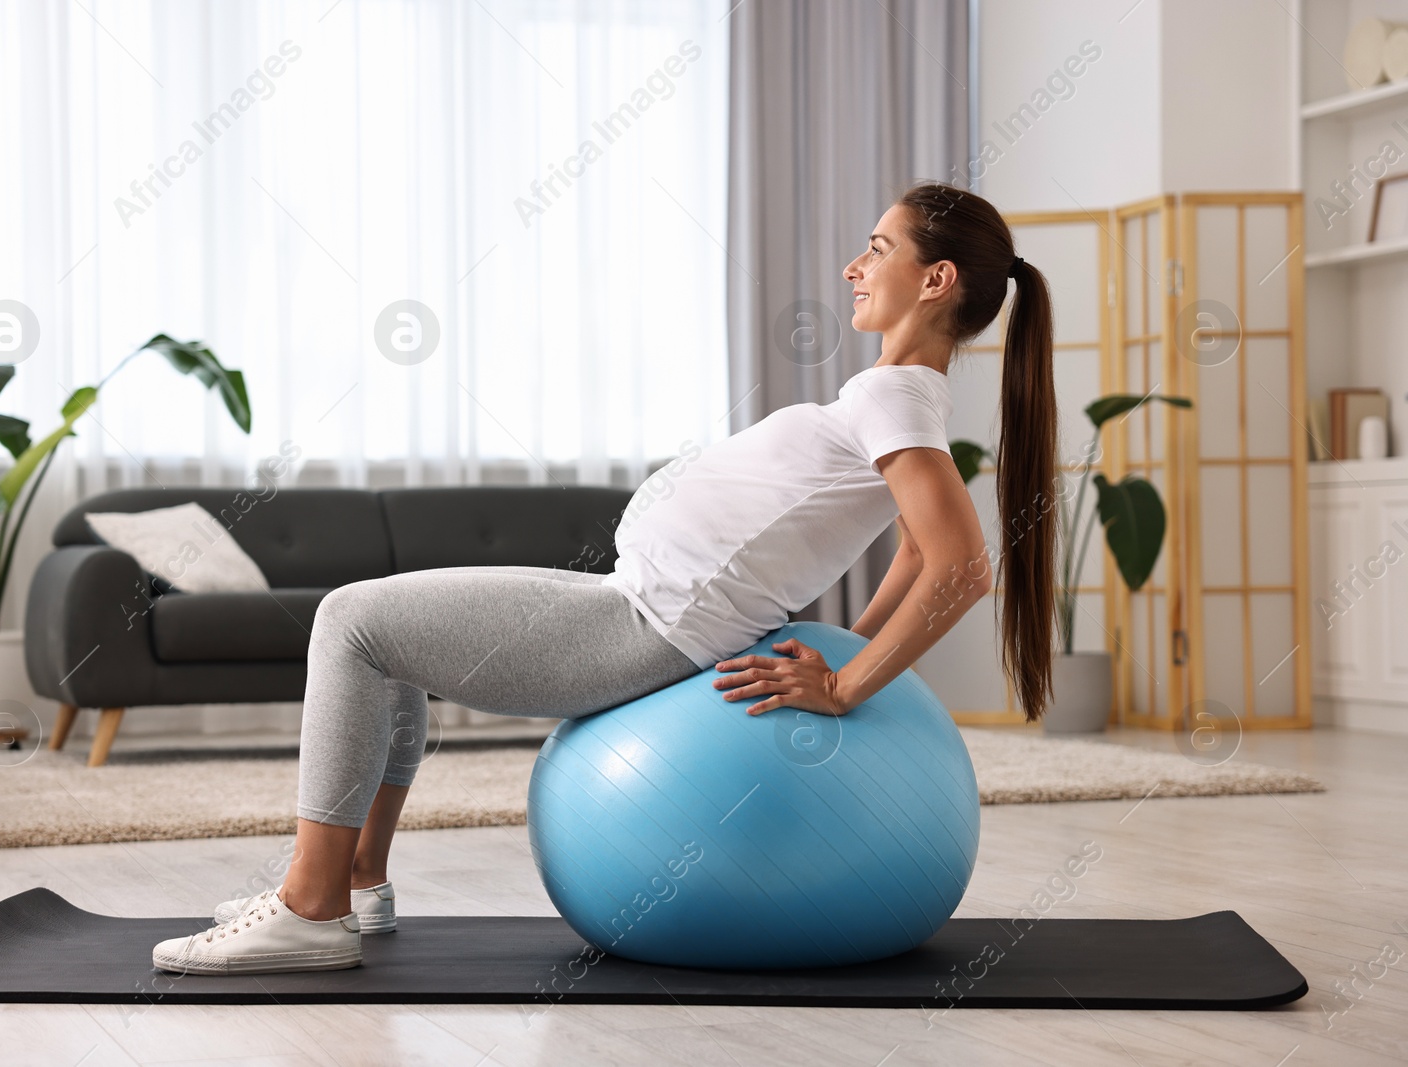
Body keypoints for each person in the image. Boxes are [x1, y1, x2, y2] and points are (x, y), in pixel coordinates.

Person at [151, 180, 1057, 976]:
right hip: (635, 606)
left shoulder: (896, 397)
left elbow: (961, 564)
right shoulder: (896, 396)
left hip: (645, 626)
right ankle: (355, 879)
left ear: (936, 281)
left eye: (879, 247)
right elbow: (912, 549)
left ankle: (312, 908)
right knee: (384, 639)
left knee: (351, 621)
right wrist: (853, 642)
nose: (856, 265)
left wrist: (847, 682)